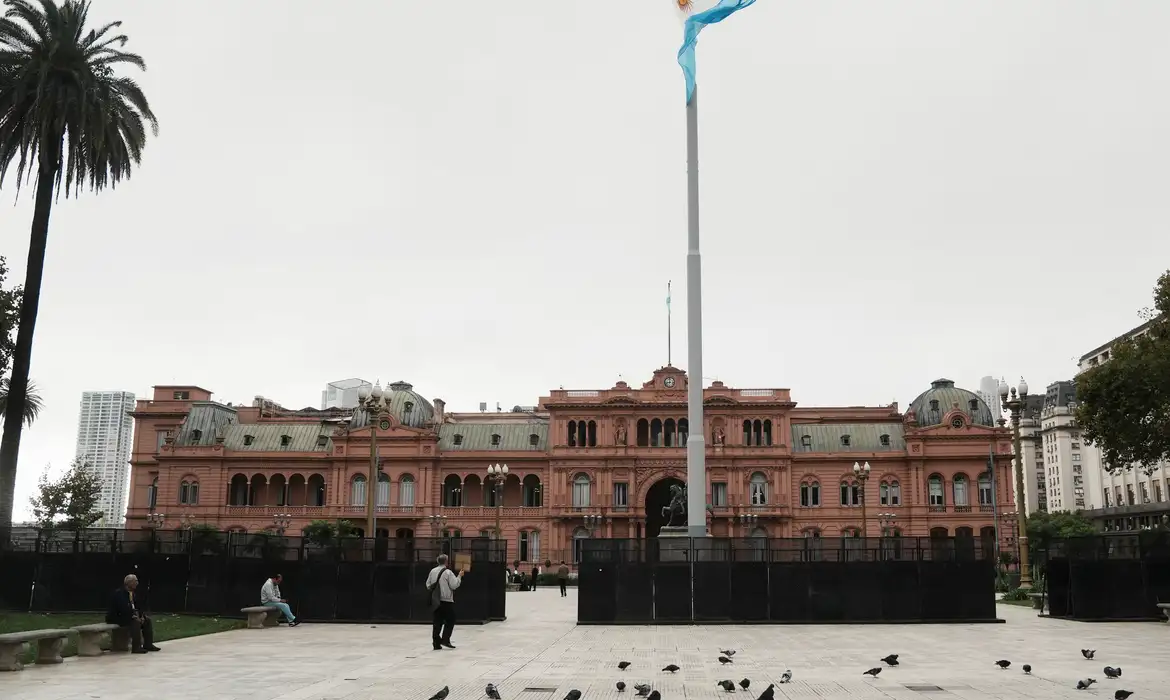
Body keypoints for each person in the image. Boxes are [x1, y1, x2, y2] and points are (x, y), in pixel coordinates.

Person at [106, 574, 160, 654]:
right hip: (118, 617)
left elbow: (138, 606)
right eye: (135, 581)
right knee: (135, 622)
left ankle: (148, 644)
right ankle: (136, 647)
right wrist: (133, 616)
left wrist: (141, 616)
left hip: (129, 616)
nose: (137, 583)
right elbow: (122, 609)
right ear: (129, 583)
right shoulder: (119, 594)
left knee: (147, 620)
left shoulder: (133, 593)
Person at [426, 553, 464, 650]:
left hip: (436, 600)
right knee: (451, 619)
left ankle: (436, 643)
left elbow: (428, 584)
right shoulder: (448, 572)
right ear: (446, 562)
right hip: (446, 600)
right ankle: (445, 639)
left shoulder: (432, 571)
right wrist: (459, 576)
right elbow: (454, 585)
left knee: (437, 621)